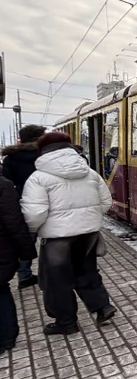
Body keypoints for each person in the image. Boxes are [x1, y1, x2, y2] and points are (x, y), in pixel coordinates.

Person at [20, 131, 116, 335]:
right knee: (87, 271)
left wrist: (33, 230)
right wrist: (90, 219)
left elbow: (34, 213)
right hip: (88, 233)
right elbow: (106, 202)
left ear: (42, 150)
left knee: (57, 280)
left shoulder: (38, 177)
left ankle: (66, 322)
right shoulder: (89, 172)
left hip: (57, 238)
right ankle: (102, 307)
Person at [1, 124, 45, 288]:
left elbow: (7, 183)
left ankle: (24, 274)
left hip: (23, 203)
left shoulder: (10, 158)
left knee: (27, 238)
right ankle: (57, 271)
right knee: (54, 237)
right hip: (47, 201)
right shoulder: (43, 155)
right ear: (38, 138)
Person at [0, 175, 37, 353]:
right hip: (2, 249)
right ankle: (7, 338)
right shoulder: (3, 185)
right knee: (1, 291)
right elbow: (14, 222)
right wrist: (26, 253)